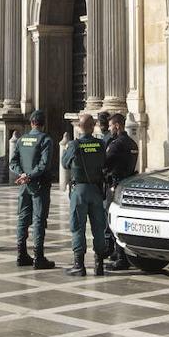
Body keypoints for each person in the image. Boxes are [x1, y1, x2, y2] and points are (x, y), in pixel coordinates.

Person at [61, 113, 110, 276]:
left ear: (79, 127)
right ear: (93, 126)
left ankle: (79, 264)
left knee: (78, 227)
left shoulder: (74, 145)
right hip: (96, 190)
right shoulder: (100, 144)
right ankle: (99, 264)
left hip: (80, 191)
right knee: (99, 227)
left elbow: (64, 164)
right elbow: (104, 163)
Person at [9, 110, 56, 270]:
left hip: (24, 185)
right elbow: (44, 165)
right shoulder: (46, 140)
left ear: (31, 123)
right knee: (39, 220)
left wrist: (22, 175)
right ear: (43, 124)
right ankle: (38, 257)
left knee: (23, 218)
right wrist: (29, 176)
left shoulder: (22, 139)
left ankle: (21, 254)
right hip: (39, 185)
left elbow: (13, 162)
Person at [102, 112, 139, 270]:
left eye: (111, 126)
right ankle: (119, 254)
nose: (110, 129)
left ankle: (120, 257)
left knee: (113, 221)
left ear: (117, 126)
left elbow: (105, 164)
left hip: (115, 186)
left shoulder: (116, 144)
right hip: (127, 185)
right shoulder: (133, 144)